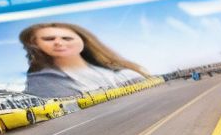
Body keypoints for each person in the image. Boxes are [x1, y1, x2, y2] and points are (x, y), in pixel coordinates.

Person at [19, 22, 151, 100]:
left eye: (67, 38)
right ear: (33, 44)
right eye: (49, 39)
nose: (58, 42)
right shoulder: (40, 81)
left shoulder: (124, 73)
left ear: (83, 41)